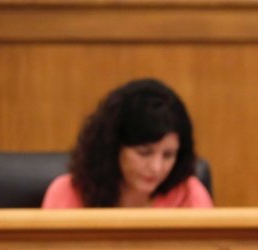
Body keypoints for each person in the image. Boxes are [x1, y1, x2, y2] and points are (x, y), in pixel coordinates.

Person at [42, 78, 212, 209]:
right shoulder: (68, 193)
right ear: (113, 146)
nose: (156, 167)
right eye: (144, 152)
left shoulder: (189, 195)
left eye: (168, 155)